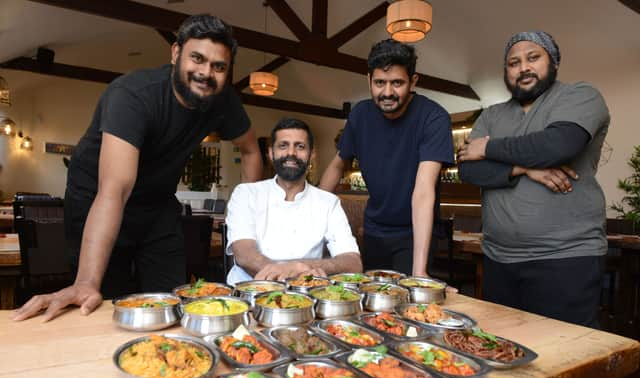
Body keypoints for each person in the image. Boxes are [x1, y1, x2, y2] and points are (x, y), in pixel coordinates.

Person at [12, 14, 263, 322]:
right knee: (101, 302)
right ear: (175, 54)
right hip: (97, 198)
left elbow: (251, 150)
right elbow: (115, 191)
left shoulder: (223, 102)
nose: (206, 73)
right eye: (197, 58)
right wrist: (87, 282)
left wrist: (246, 223)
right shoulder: (133, 96)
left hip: (157, 205)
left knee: (173, 302)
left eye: (218, 66)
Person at [457, 31, 610, 378]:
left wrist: (489, 148)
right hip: (500, 261)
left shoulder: (580, 96)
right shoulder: (491, 115)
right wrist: (526, 166)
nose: (523, 67)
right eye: (513, 62)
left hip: (566, 259)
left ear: (553, 62)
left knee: (568, 366)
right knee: (505, 363)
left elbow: (557, 145)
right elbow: (469, 169)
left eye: (533, 57)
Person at [319, 39, 454, 277]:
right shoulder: (360, 115)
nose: (388, 92)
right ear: (368, 79)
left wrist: (420, 273)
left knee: (409, 300)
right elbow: (337, 165)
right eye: (380, 83)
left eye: (397, 83)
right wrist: (313, 215)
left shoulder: (434, 117)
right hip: (374, 231)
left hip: (415, 233)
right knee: (373, 303)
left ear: (413, 81)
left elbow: (423, 191)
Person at [226, 117, 361, 284]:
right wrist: (290, 271)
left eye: (300, 146)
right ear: (271, 153)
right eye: (283, 146)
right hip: (247, 293)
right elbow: (245, 255)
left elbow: (353, 263)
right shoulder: (245, 193)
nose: (291, 153)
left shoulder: (328, 202)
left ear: (311, 155)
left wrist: (299, 266)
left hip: (306, 297)